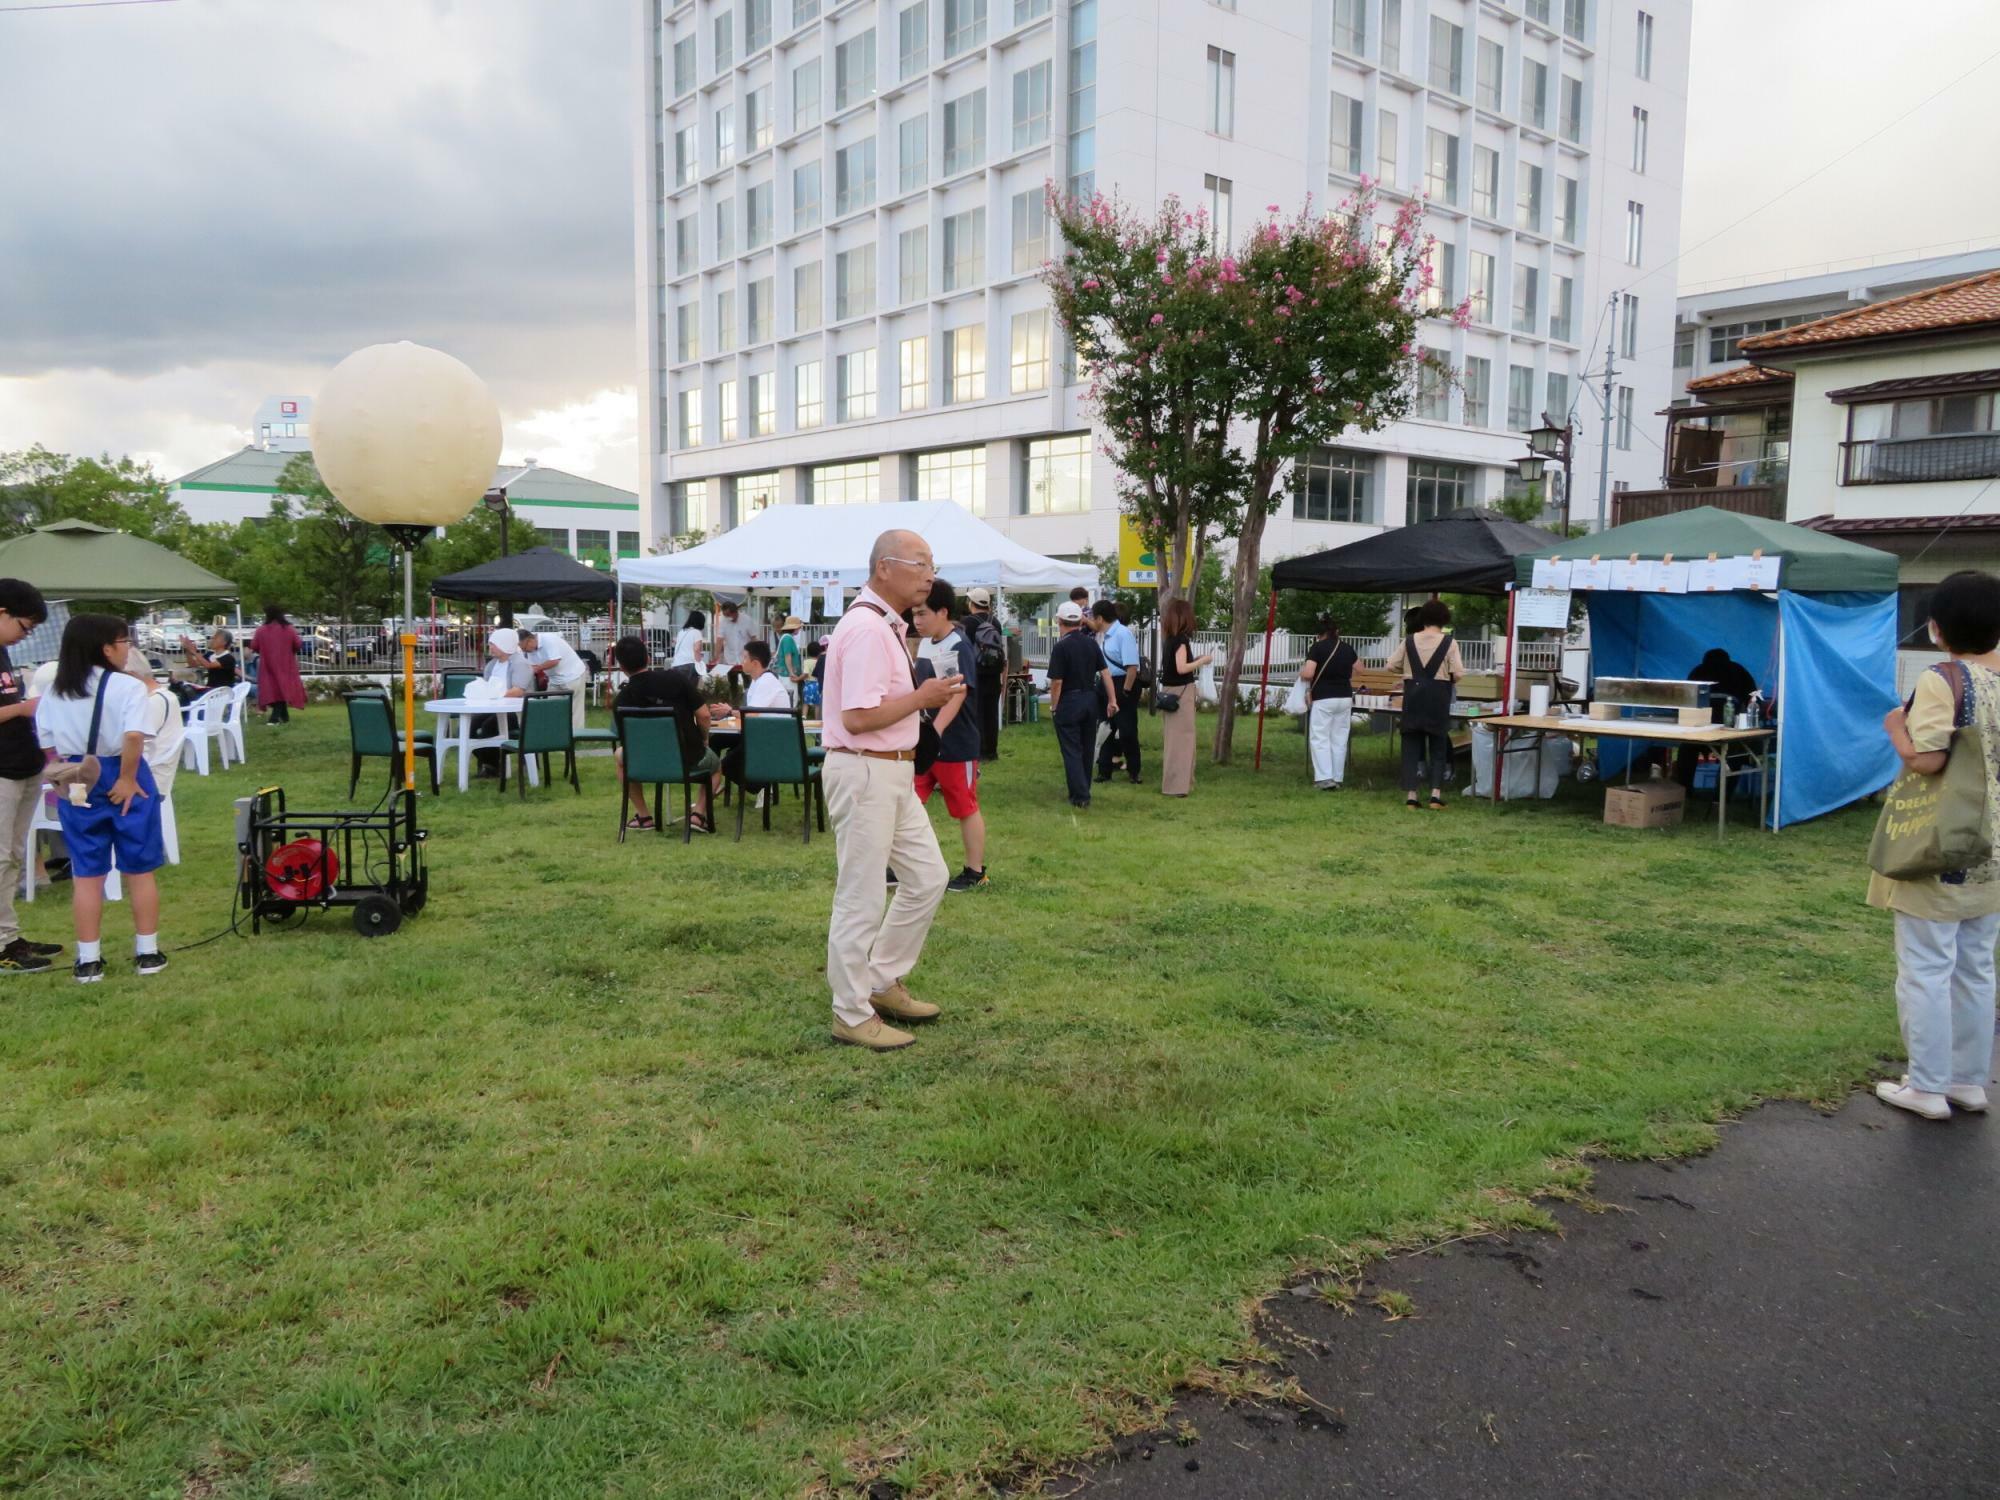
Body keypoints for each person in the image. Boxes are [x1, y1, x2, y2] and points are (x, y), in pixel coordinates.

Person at [820, 529, 963, 1051]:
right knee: (860, 897)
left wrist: (925, 698)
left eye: (932, 563)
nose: (930, 574)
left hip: (891, 772)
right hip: (866, 771)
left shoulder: (885, 627)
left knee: (928, 876)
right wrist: (922, 696)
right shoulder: (865, 629)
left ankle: (880, 981)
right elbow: (856, 718)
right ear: (885, 568)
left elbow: (877, 709)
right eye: (920, 563)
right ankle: (851, 1012)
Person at [1869, 570, 2000, 1121]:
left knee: (1925, 965)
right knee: (1977, 966)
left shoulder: (1943, 679)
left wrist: (1895, 727)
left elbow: (1927, 757)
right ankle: (1968, 1082)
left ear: (1936, 629)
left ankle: (1925, 1086)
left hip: (1940, 843)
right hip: (1992, 847)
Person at [35, 615, 167, 983]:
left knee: (87, 874)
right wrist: (126, 779)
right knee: (139, 870)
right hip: (124, 774)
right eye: (124, 642)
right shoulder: (127, 687)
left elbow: (46, 743)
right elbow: (134, 738)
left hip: (77, 779)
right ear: (106, 647)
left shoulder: (56, 691)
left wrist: (64, 774)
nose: (128, 649)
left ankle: (88, 960)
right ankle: (147, 952)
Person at [911, 581, 987, 892]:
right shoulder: (926, 642)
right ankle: (899, 866)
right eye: (914, 614)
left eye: (922, 614)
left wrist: (936, 731)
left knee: (965, 807)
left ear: (943, 612)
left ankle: (975, 871)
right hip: (925, 744)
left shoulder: (959, 645)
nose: (917, 620)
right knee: (908, 802)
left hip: (955, 745)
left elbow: (959, 693)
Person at [0, 579, 59, 975]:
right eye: (26, 626)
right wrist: (24, 709)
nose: (27, 635)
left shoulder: (3, 654)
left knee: (14, 856)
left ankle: (8, 937)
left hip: (23, 765)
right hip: (2, 771)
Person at [611, 634, 722, 832]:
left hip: (643, 761)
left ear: (621, 667)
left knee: (620, 756)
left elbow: (628, 741)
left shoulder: (621, 700)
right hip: (686, 757)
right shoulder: (675, 679)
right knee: (715, 766)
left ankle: (644, 816)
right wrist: (704, 739)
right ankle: (698, 815)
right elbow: (704, 715)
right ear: (648, 658)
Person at [1385, 599, 1464, 810]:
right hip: (1438, 697)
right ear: (1444, 619)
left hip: (1413, 696)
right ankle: (1435, 795)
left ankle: (1412, 795)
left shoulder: (1409, 641)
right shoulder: (1450, 643)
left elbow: (1390, 665)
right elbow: (1457, 674)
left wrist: (1407, 673)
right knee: (1437, 745)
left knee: (1411, 744)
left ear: (1423, 619)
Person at [1048, 600, 1116, 809]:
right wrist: (1112, 699)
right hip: (1090, 699)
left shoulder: (1061, 647)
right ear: (1080, 621)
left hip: (1069, 700)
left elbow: (1057, 682)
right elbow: (1105, 673)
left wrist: (1054, 706)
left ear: (1060, 621)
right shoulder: (1091, 644)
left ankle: (1080, 796)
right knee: (1087, 748)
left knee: (1071, 750)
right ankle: (1084, 788)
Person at [1674, 647, 1764, 788]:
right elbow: (1754, 699)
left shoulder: (1698, 670)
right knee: (1736, 754)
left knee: (1687, 749)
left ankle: (1684, 791)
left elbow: (1686, 699)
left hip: (1700, 727)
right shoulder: (1738, 670)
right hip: (1730, 727)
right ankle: (1722, 796)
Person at [1158, 597, 1212, 798]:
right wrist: (1202, 661)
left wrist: (1194, 660)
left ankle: (1178, 783)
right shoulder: (1181, 640)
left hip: (1170, 691)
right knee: (1183, 740)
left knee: (1174, 740)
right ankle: (1177, 786)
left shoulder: (1169, 641)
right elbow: (1182, 668)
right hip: (1181, 693)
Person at [1302, 615, 1359, 791]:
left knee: (1320, 737)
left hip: (1324, 697)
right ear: (1337, 632)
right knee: (1339, 737)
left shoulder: (1317, 648)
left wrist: (1301, 674)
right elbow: (1360, 669)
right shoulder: (1347, 648)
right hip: (1345, 697)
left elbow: (1309, 673)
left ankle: (1324, 778)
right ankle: (1337, 777)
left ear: (1320, 634)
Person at [472, 626, 536, 776]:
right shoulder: (492, 665)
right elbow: (485, 685)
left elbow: (518, 690)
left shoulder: (521, 664)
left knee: (488, 727)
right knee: (469, 727)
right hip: (493, 708)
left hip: (516, 712)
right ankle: (489, 761)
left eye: (493, 644)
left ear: (505, 644)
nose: (490, 647)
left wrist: (494, 695)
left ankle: (493, 766)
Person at [1092, 600, 1142, 785]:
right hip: (1105, 683)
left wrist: (1125, 692)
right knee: (1105, 727)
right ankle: (1104, 770)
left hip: (1123, 684)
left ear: (1100, 618)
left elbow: (1131, 667)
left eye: (1093, 617)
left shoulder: (1123, 634)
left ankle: (1134, 770)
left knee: (1127, 730)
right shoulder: (1102, 636)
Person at [959, 586, 1006, 761]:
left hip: (975, 673)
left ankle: (978, 751)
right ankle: (991, 751)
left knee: (976, 713)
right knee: (991, 714)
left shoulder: (968, 622)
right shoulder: (996, 622)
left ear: (972, 603)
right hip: (993, 674)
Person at [519, 627, 589, 731]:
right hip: (555, 679)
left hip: (573, 675)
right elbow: (533, 667)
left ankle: (577, 734)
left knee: (575, 708)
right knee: (552, 707)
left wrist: (538, 668)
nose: (524, 651)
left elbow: (555, 661)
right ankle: (556, 734)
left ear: (530, 640)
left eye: (524, 648)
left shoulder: (549, 640)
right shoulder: (530, 651)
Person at [250, 605, 304, 726]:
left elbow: (254, 646)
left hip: (267, 665)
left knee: (271, 691)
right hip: (286, 665)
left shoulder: (261, 630)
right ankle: (284, 716)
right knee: (282, 690)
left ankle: (274, 718)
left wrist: (265, 650)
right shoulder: (289, 629)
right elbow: (298, 644)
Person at [177, 628, 239, 707]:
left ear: (224, 642)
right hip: (210, 689)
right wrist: (188, 650)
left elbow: (208, 665)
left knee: (189, 693)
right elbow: (193, 664)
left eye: (215, 638)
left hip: (222, 691)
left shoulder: (228, 658)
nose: (212, 640)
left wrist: (194, 651)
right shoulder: (210, 654)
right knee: (184, 690)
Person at [716, 600, 755, 697]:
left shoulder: (747, 620)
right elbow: (719, 639)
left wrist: (754, 654)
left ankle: (748, 703)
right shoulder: (723, 621)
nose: (727, 617)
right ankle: (734, 704)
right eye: (725, 615)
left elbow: (754, 637)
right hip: (730, 658)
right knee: (732, 684)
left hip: (745, 658)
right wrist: (716, 657)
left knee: (748, 682)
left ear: (735, 612)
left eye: (728, 614)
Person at [774, 615, 806, 689]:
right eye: (798, 627)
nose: (799, 629)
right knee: (792, 698)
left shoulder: (787, 637)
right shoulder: (788, 638)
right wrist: (791, 672)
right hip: (788, 676)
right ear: (794, 628)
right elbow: (787, 656)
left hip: (786, 674)